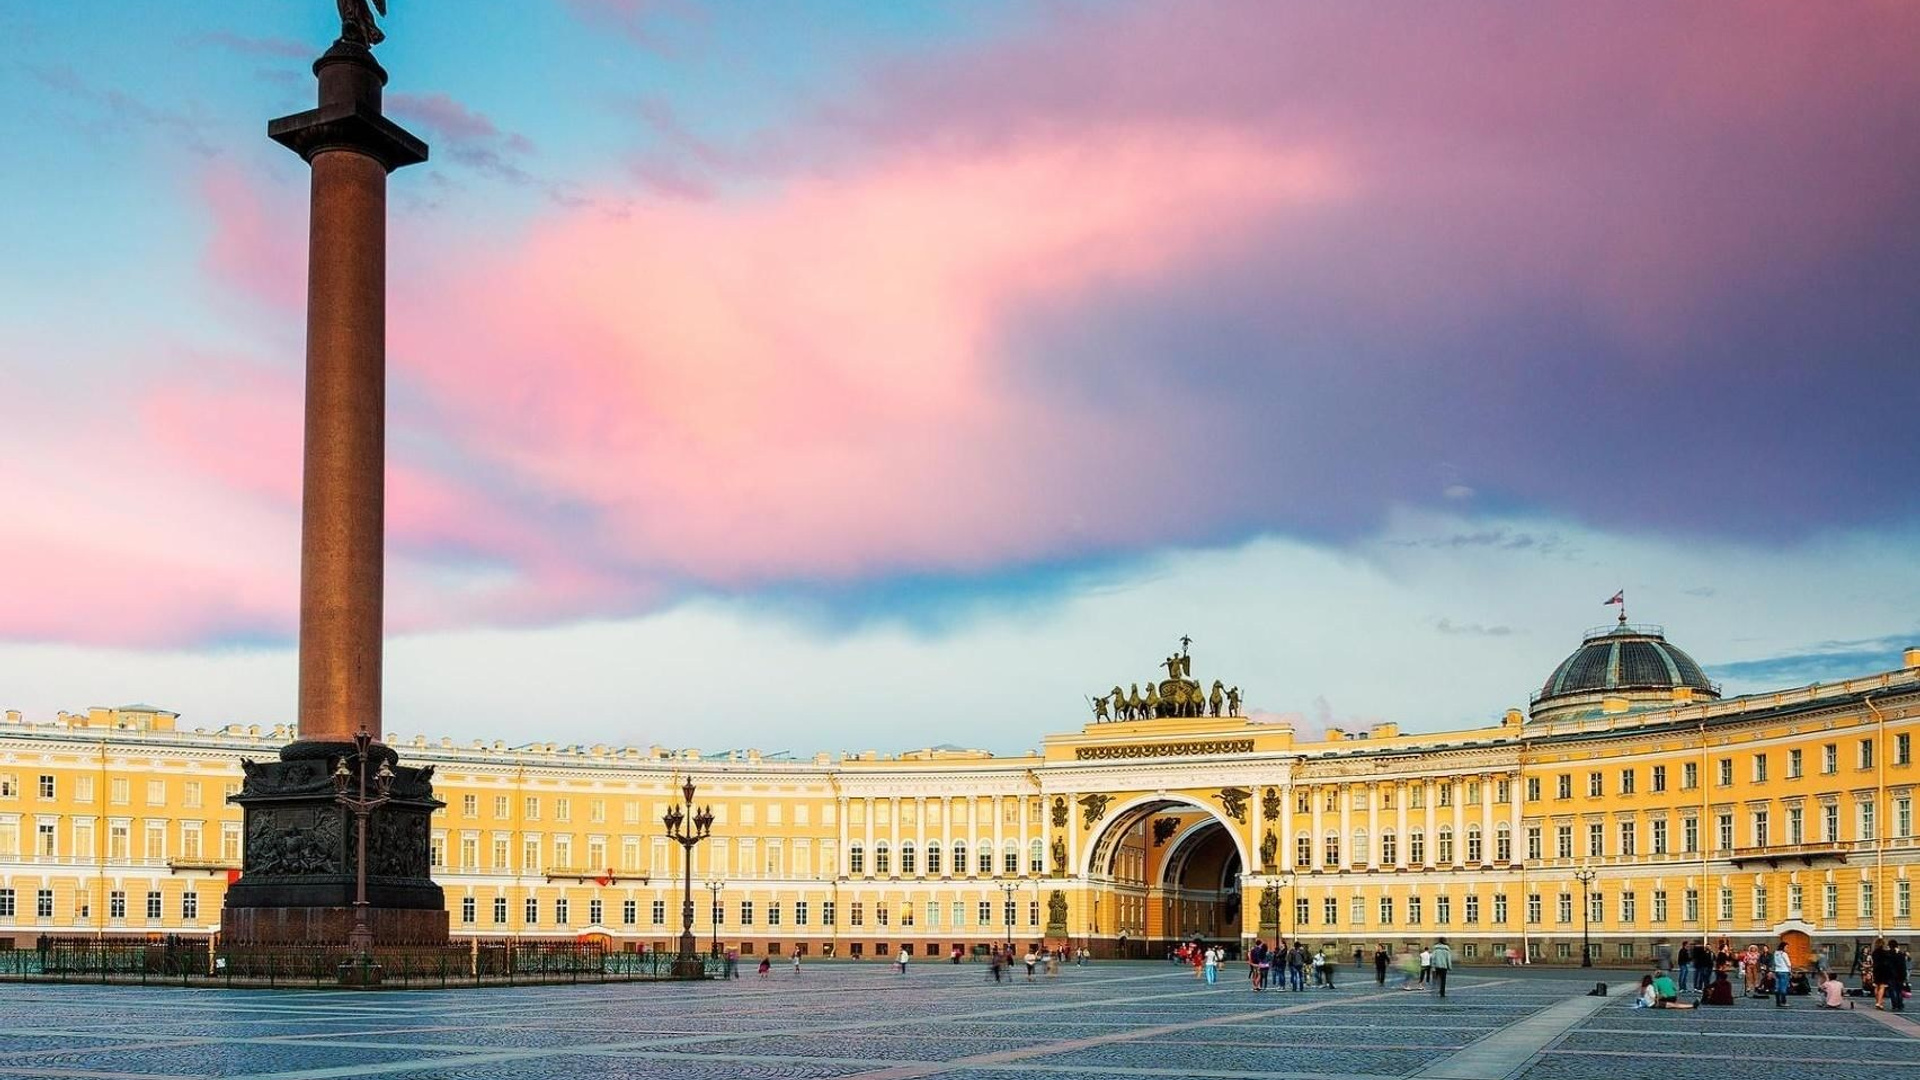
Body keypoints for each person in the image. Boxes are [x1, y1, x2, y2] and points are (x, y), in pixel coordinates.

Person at [1871, 937, 1895, 1010]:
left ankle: (1878, 1001)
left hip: (1876, 970)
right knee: (1882, 986)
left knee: (1876, 986)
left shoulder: (1874, 952)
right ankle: (1879, 1002)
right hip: (1883, 970)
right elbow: (1889, 961)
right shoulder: (1884, 952)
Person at [1771, 938, 1793, 1007]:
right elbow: (1788, 964)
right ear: (1783, 947)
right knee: (1783, 987)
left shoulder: (1776, 953)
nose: (1787, 948)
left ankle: (1778, 1002)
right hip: (1784, 971)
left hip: (1778, 971)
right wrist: (1790, 971)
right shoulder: (1784, 954)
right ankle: (1783, 1002)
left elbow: (1775, 962)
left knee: (1778, 987)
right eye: (1786, 947)